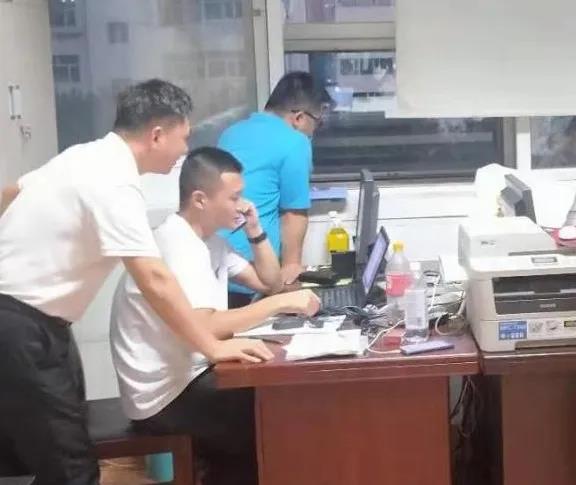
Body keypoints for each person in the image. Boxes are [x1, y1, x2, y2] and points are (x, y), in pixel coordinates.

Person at [0, 80, 272, 485]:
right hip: (19, 325)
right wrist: (213, 346)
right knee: (70, 469)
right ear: (156, 135)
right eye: (183, 137)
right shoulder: (113, 182)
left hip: (44, 324)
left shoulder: (83, 157)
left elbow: (13, 192)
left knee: (60, 458)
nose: (184, 150)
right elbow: (154, 278)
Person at [110, 147, 321, 485]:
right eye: (234, 197)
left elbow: (270, 282)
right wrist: (281, 304)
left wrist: (255, 230)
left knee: (276, 406)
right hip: (164, 396)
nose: (241, 205)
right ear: (200, 199)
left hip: (187, 377)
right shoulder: (179, 244)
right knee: (276, 415)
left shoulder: (210, 243)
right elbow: (206, 326)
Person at [218, 71, 330, 308]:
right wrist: (291, 270)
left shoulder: (230, 132)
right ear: (299, 118)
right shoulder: (295, 141)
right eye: (317, 122)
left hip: (217, 266)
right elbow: (293, 213)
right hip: (252, 276)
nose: (314, 131)